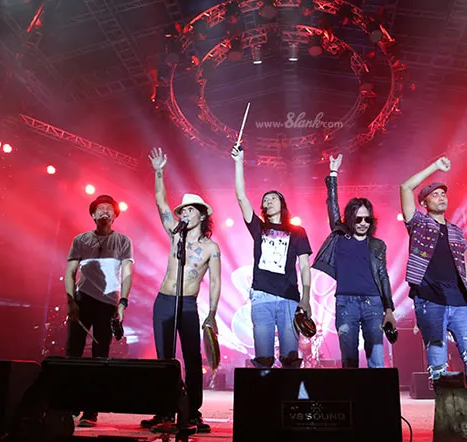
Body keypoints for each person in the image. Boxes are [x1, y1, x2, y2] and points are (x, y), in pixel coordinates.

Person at [400, 156, 467, 436]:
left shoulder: (456, 231)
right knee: (438, 361)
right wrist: (435, 167)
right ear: (424, 202)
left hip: (459, 302)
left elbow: (464, 266)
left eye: (443, 193)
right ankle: (446, 418)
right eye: (434, 194)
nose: (441, 197)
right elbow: (405, 187)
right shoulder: (418, 223)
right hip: (429, 300)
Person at [140, 148, 220, 434]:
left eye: (190, 209)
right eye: (183, 210)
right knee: (164, 358)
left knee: (192, 358)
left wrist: (212, 313)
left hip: (188, 304)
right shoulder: (176, 233)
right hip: (164, 301)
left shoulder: (211, 247)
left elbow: (216, 282)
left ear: (201, 214)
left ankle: (193, 412)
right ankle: (163, 409)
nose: (184, 213)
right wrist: (159, 171)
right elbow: (160, 202)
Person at [231, 144, 312, 368]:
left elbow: (305, 266)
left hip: (289, 297)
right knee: (264, 358)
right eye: (265, 199)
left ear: (282, 204)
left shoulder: (297, 231)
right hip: (261, 296)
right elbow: (241, 197)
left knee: (290, 357)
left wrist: (306, 297)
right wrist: (239, 162)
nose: (268, 201)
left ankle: (289, 390)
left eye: (273, 198)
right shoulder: (259, 228)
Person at [312, 154, 396, 368]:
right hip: (346, 303)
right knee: (349, 360)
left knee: (376, 360)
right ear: (350, 219)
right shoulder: (340, 236)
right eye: (358, 218)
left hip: (373, 304)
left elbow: (383, 276)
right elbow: (332, 205)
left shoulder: (377, 245)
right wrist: (333, 173)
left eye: (367, 219)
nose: (363, 223)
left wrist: (389, 309)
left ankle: (376, 392)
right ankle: (353, 391)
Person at [65, 194, 134, 427]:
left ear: (115, 215)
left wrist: (122, 303)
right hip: (82, 300)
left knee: (100, 356)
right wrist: (70, 301)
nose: (104, 211)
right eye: (100, 208)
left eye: (109, 208)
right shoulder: (80, 240)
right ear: (93, 215)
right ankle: (69, 406)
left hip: (107, 303)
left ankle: (91, 411)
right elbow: (70, 272)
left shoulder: (123, 241)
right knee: (72, 354)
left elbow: (127, 273)